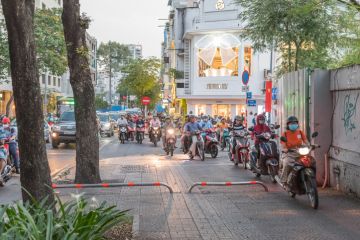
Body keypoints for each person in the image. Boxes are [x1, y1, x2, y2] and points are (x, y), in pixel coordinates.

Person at [280, 116, 308, 185]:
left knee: (309, 162)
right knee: (287, 164)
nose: (293, 125)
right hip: (289, 152)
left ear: (297, 124)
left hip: (299, 152)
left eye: (295, 123)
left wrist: (310, 145)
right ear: (288, 125)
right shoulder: (285, 133)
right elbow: (283, 143)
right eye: (291, 123)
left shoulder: (300, 132)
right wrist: (285, 148)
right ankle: (284, 181)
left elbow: (305, 140)